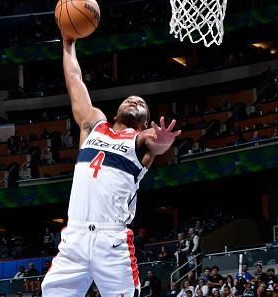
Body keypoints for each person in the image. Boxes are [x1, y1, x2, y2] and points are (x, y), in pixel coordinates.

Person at [41, 37, 181, 297]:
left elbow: (156, 145)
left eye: (140, 104)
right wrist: (68, 44)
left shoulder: (140, 141)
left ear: (145, 122)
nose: (134, 102)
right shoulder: (93, 125)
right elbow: (75, 80)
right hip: (75, 238)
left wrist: (163, 143)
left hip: (111, 241)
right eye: (130, 99)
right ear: (116, 111)